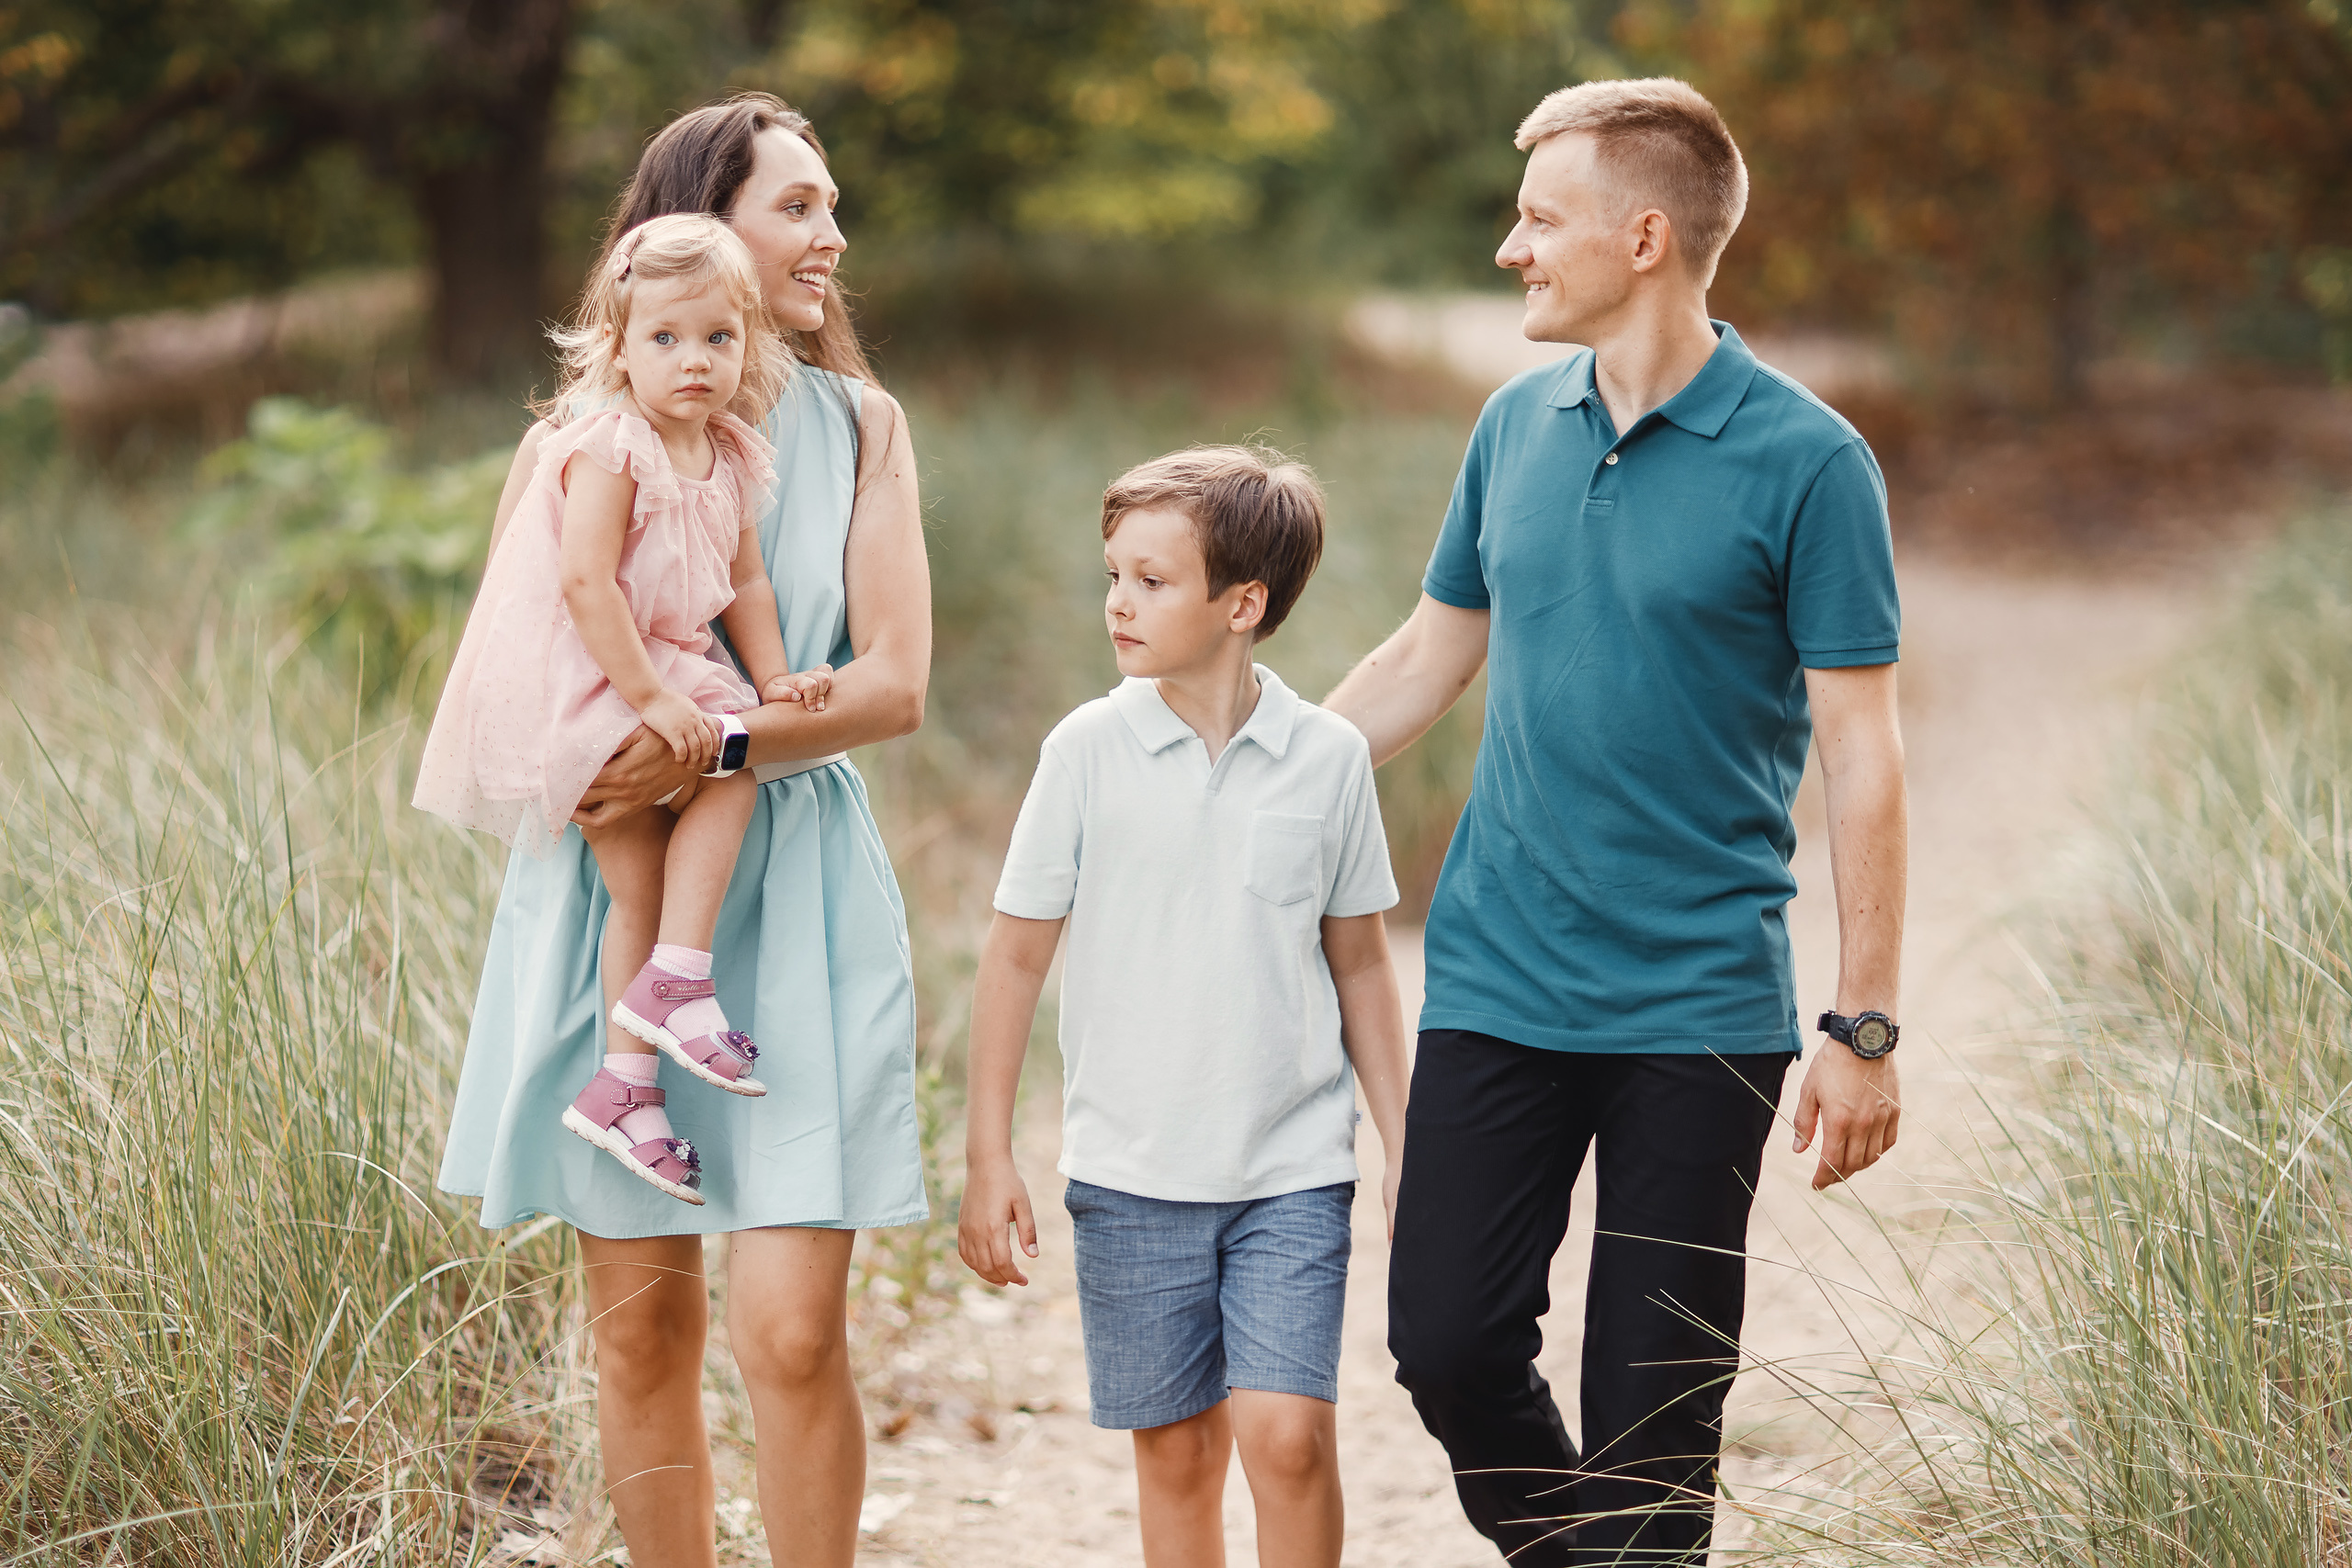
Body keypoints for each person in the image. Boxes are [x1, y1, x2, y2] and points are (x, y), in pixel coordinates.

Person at [1324, 78, 1907, 1566]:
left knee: (1655, 1428)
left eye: (1539, 218)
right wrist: (1236, 781)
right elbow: (1424, 657)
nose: (1513, 248)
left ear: (1643, 236)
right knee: (1447, 1339)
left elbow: (1863, 751)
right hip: (1501, 979)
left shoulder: (1810, 462)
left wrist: (1864, 1024)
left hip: (1696, 1010)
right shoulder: (1515, 426)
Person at [435, 94, 930, 1568]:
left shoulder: (859, 425)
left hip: (799, 882)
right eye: (797, 206)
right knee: (643, 1330)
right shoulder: (584, 440)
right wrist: (608, 760)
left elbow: (893, 685)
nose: (831, 233)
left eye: (831, 204)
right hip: (618, 885)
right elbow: (526, 652)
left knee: (790, 1331)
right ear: (696, 234)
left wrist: (708, 736)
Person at [957, 447, 1412, 1568]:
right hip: (1129, 1172)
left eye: (1152, 580)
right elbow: (1013, 961)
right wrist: (987, 1156)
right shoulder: (1085, 752)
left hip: (1291, 1169)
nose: (1118, 601)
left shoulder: (1329, 759)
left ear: (1241, 604)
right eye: (1113, 574)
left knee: (1289, 1437)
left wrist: (1409, 1148)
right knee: (1174, 1456)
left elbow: (1359, 965)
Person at [419, 213, 823, 1203]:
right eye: (666, 339)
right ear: (617, 347)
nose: (695, 361)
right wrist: (649, 696)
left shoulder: (730, 454)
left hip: (663, 670)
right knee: (732, 770)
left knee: (635, 886)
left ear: (751, 344)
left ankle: (625, 1085)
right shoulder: (610, 444)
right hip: (594, 678)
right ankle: (680, 980)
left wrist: (771, 681)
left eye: (719, 339)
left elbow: (749, 589)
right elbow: (586, 585)